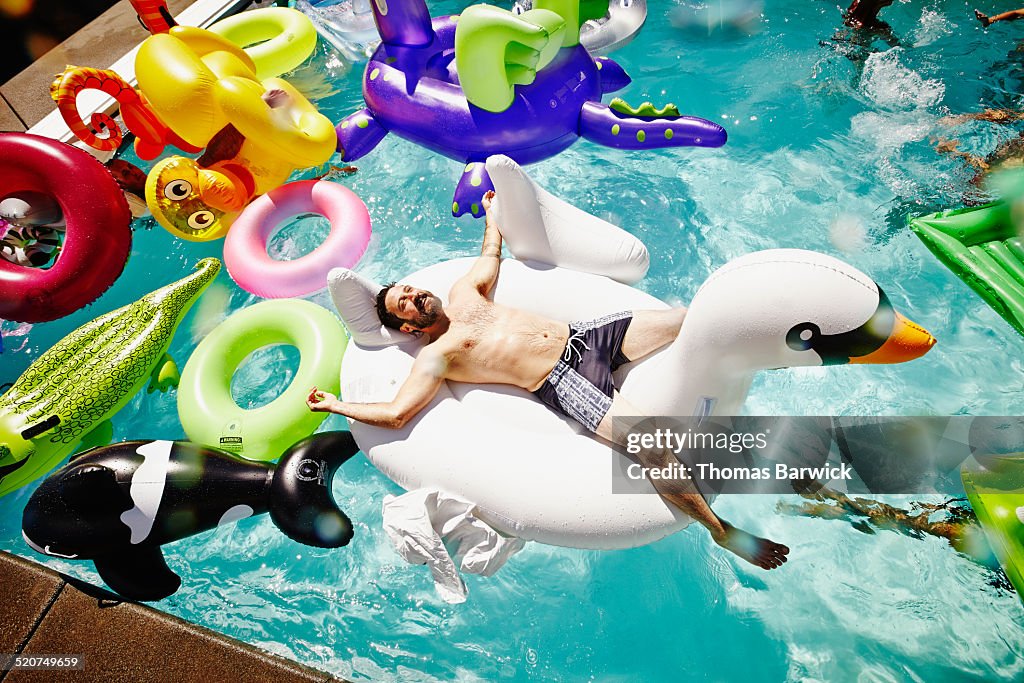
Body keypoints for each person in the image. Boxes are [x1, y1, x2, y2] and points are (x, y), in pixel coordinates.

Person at [307, 190, 790, 571]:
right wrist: (335, 405)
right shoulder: (439, 355)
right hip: (564, 380)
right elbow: (396, 414)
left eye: (410, 290)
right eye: (405, 305)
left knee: (694, 318)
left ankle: (779, 349)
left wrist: (492, 214)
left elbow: (491, 255)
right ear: (409, 328)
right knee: (649, 447)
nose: (414, 296)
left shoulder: (464, 293)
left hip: (589, 337)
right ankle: (720, 529)